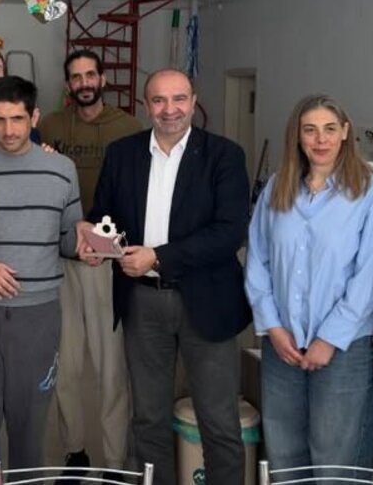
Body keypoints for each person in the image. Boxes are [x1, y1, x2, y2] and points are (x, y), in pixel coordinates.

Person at [82, 68, 251, 485]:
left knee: (218, 420)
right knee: (148, 418)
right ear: (146, 105)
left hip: (207, 301)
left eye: (178, 99)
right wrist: (94, 240)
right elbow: (103, 215)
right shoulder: (122, 153)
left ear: (193, 102)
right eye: (159, 100)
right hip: (142, 301)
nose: (169, 109)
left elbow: (230, 232)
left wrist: (158, 256)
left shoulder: (224, 155)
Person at [244, 94, 373, 475]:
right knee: (284, 457)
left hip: (344, 348)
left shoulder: (370, 191)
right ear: (297, 135)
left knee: (335, 463)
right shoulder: (277, 188)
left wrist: (328, 339)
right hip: (283, 346)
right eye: (310, 130)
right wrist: (274, 328)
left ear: (345, 132)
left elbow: (369, 274)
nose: (320, 139)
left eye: (329, 129)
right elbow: (257, 262)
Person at [0, 76, 82, 484]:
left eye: (18, 119)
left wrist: (88, 245)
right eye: (0, 120)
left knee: (30, 421)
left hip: (38, 313)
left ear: (34, 117)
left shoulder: (62, 169)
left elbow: (69, 239)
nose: (9, 130)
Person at [38, 50, 143, 472]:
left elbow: (136, 192)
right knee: (65, 362)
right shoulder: (50, 126)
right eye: (76, 77)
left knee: (110, 365)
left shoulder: (129, 127)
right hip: (60, 255)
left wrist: (111, 246)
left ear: (102, 79)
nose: (83, 82)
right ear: (68, 84)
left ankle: (115, 458)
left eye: (89, 75)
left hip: (107, 260)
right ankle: (74, 450)